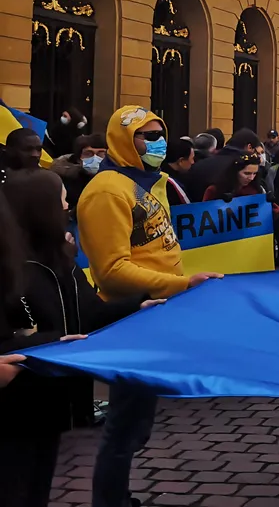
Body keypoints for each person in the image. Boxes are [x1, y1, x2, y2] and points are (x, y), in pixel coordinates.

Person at [77, 106, 222, 507]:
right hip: (131, 314)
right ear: (126, 140)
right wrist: (179, 284)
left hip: (156, 311)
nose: (157, 142)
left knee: (136, 422)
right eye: (147, 135)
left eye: (160, 133)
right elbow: (110, 270)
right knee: (125, 425)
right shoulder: (108, 190)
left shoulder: (150, 181)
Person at [0, 173, 158, 507]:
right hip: (15, 407)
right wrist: (52, 342)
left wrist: (137, 305)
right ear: (40, 209)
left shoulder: (62, 261)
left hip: (50, 403)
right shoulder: (9, 270)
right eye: (60, 199)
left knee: (36, 488)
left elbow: (89, 313)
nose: (67, 206)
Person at [185, 128, 262, 202]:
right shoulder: (236, 168)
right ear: (249, 147)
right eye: (256, 153)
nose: (251, 178)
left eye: (254, 173)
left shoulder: (199, 165)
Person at [50, 132, 107, 210]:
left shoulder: (116, 179)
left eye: (101, 154)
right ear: (78, 159)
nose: (95, 158)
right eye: (88, 154)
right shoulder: (64, 180)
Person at [160, 138, 195, 206]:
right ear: (181, 161)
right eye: (192, 158)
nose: (193, 162)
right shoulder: (172, 184)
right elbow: (188, 208)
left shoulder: (157, 172)